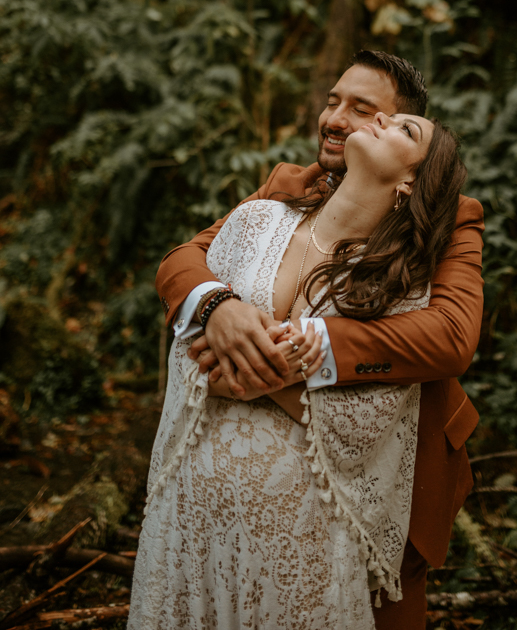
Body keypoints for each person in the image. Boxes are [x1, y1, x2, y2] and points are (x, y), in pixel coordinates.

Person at [154, 51, 484, 628]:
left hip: (400, 454)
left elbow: (450, 337)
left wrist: (290, 358)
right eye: (332, 100)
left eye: (363, 109)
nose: (334, 118)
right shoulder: (286, 190)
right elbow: (185, 261)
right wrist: (217, 306)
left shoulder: (446, 213)